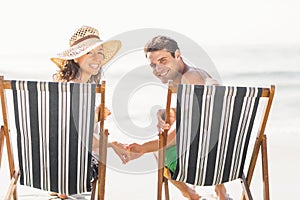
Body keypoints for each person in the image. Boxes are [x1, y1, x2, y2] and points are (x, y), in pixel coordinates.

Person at [117, 35, 229, 200]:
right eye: (153, 65)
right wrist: (165, 112)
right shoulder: (196, 75)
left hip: (203, 162)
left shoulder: (189, 80)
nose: (158, 69)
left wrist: (145, 147)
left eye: (163, 60)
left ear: (177, 55)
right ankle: (221, 192)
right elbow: (202, 116)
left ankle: (191, 194)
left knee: (160, 152)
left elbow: (183, 131)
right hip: (228, 158)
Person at [50, 25, 125, 199]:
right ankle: (65, 187)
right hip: (76, 168)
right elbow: (80, 138)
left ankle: (57, 185)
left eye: (99, 52)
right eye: (89, 53)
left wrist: (95, 115)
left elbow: (63, 129)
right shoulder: (80, 90)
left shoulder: (61, 87)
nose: (97, 58)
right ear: (76, 58)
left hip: (46, 165)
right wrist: (113, 145)